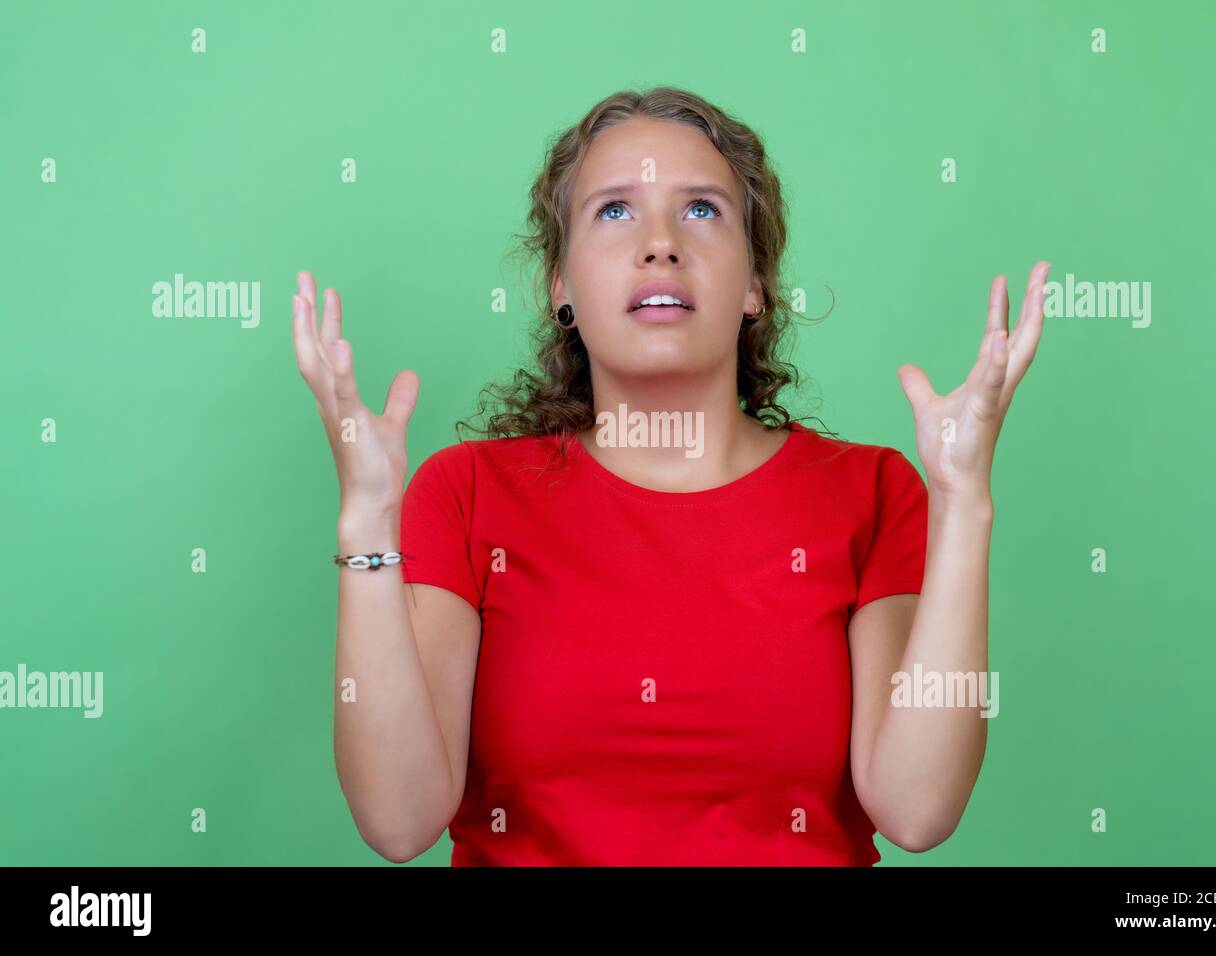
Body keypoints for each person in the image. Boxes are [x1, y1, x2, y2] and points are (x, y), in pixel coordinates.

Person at [293, 86, 1051, 866]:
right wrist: (366, 521)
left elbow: (919, 810)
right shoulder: (469, 494)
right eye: (614, 211)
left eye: (702, 210)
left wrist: (963, 502)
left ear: (755, 287)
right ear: (561, 288)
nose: (660, 243)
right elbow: (397, 821)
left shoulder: (873, 492)